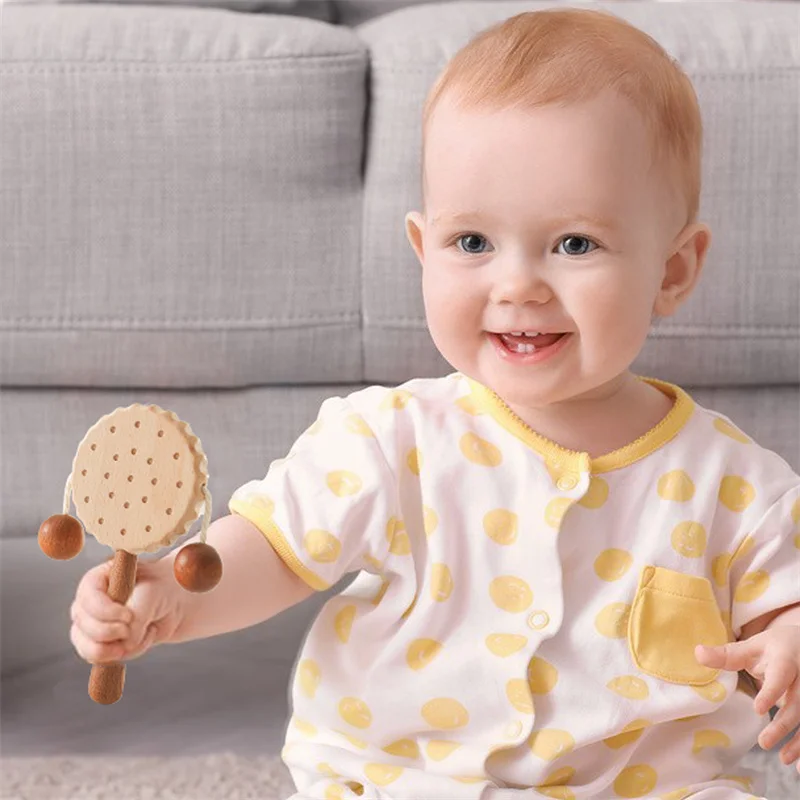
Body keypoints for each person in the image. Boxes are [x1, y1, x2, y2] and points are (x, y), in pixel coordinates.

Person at [69, 8, 800, 799]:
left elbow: (783, 601)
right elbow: (274, 551)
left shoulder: (736, 487)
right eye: (473, 243)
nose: (516, 285)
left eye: (575, 244)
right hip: (406, 777)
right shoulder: (391, 440)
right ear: (424, 249)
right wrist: (171, 598)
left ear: (672, 270)